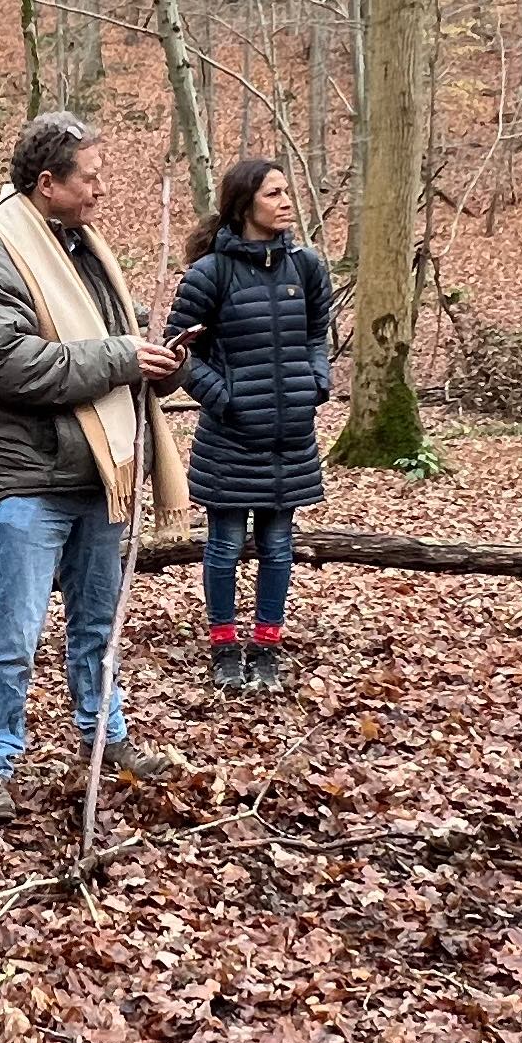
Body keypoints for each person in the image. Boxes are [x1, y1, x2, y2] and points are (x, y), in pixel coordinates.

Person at [0, 111, 192, 821]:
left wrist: (163, 363)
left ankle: (104, 738)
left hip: (99, 474)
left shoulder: (87, 250)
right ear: (47, 183)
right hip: (29, 479)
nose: (101, 190)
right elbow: (10, 365)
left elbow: (122, 348)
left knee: (97, 623)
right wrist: (123, 357)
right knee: (15, 631)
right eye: (90, 177)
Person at [164, 155, 332, 694]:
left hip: (290, 439)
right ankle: (223, 646)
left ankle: (266, 645)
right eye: (273, 194)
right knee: (225, 546)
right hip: (231, 440)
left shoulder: (306, 267)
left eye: (287, 192)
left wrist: (317, 382)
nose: (286, 203)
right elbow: (178, 353)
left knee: (279, 548)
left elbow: (316, 335)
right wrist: (225, 399)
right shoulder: (209, 274)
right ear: (244, 205)